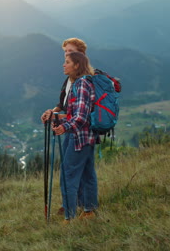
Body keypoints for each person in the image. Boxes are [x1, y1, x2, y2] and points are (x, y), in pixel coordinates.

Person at [41, 38, 89, 215]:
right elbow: (63, 104)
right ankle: (75, 205)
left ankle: (75, 207)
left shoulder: (84, 80)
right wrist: (52, 112)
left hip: (78, 130)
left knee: (73, 170)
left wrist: (60, 118)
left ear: (80, 56)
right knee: (75, 169)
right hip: (69, 127)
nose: (66, 55)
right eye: (65, 52)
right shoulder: (69, 80)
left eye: (70, 52)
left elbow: (79, 112)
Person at [53, 52, 98, 224]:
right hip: (87, 137)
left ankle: (69, 217)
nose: (64, 65)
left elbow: (80, 117)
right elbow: (75, 114)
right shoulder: (82, 83)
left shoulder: (81, 84)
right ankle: (89, 211)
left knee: (67, 175)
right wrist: (58, 119)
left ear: (77, 65)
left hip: (79, 137)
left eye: (67, 62)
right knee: (87, 173)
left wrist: (64, 127)